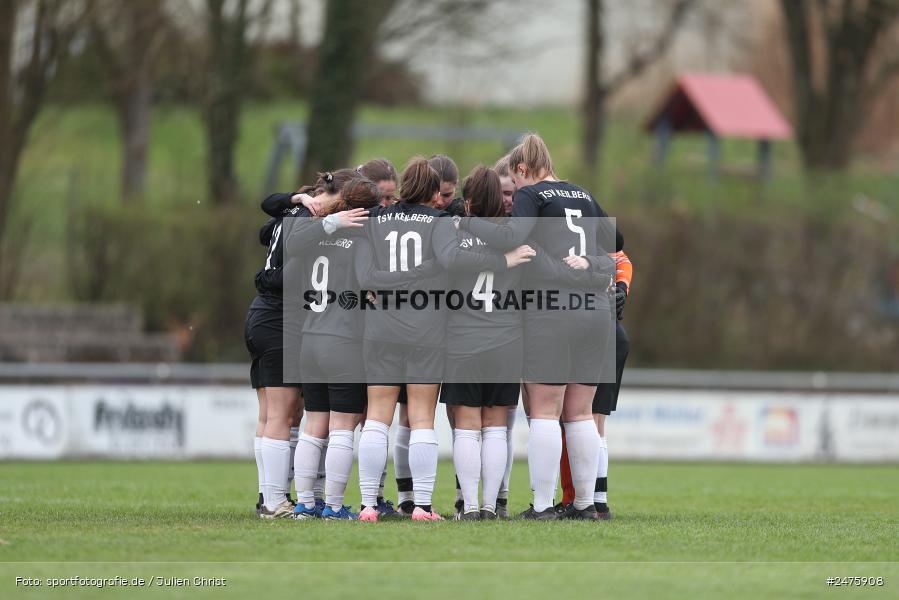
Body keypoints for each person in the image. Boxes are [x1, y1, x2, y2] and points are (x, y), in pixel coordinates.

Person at [357, 157, 524, 522]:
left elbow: (364, 276)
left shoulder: (374, 220)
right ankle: (422, 506)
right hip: (426, 329)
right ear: (433, 192)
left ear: (402, 187)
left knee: (377, 418)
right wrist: (419, 274)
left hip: (381, 328)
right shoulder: (441, 222)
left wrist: (389, 283)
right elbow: (450, 261)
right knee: (420, 419)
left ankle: (368, 504)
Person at [458, 134, 616, 520]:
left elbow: (512, 237)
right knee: (580, 413)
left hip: (552, 309)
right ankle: (584, 505)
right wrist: (591, 266)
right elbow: (615, 242)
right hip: (595, 312)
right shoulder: (582, 193)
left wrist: (471, 223)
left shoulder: (533, 194)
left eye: (516, 180)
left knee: (545, 411)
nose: (515, 192)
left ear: (523, 170)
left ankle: (544, 506)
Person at [441, 165, 535, 520]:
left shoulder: (453, 234)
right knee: (496, 427)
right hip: (506, 340)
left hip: (463, 339)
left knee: (467, 426)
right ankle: (490, 507)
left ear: (468, 202)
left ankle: (467, 506)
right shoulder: (515, 239)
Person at [285, 176, 381, 520]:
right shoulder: (360, 240)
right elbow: (368, 280)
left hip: (310, 339)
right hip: (343, 342)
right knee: (342, 427)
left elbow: (291, 243)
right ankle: (336, 506)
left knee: (313, 426)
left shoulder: (316, 235)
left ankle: (305, 503)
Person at [558, 230, 632, 520]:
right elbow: (623, 262)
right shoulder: (617, 260)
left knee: (582, 420)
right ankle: (597, 501)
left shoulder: (575, 253)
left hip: (597, 335)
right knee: (594, 422)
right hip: (613, 335)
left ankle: (585, 501)